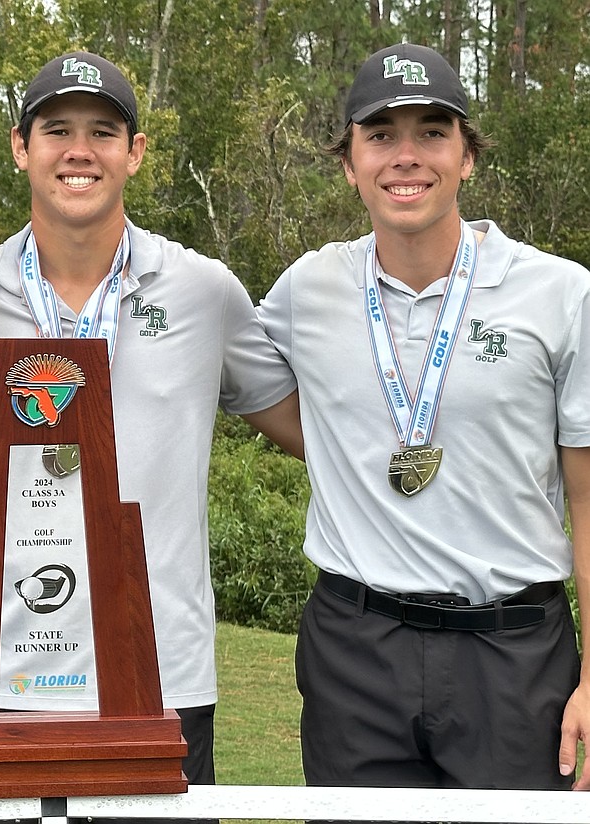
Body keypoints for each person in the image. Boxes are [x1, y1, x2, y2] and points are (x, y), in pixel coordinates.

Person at [0, 50, 302, 800]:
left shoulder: (205, 292)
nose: (79, 150)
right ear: (20, 147)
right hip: (3, 666)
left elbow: (313, 427)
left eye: (103, 131)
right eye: (56, 129)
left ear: (135, 152)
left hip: (163, 667)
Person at [257, 42, 590, 791]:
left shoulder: (561, 293)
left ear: (467, 156)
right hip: (355, 650)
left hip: (514, 653)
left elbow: (588, 495)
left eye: (432, 132)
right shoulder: (307, 288)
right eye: (380, 136)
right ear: (349, 163)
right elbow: (246, 387)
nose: (406, 156)